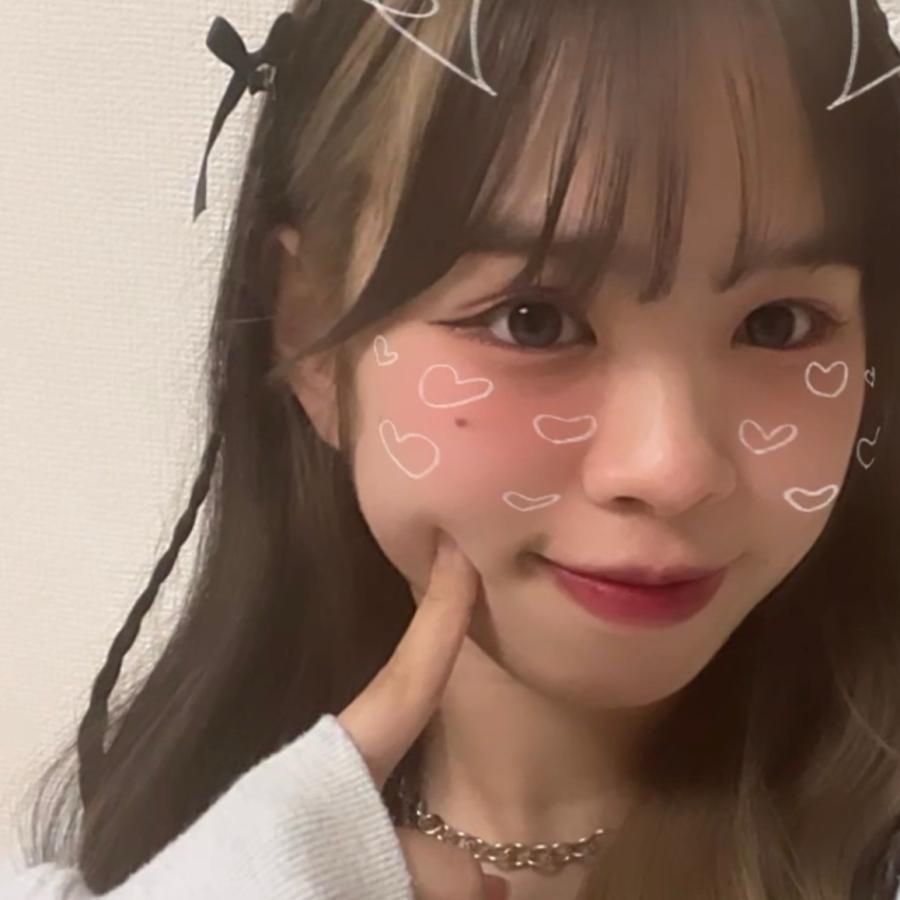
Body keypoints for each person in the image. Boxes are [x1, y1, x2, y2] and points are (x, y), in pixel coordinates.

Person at [4, 0, 900, 897]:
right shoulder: (123, 848)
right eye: (533, 320)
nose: (671, 469)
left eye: (780, 324)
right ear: (311, 334)